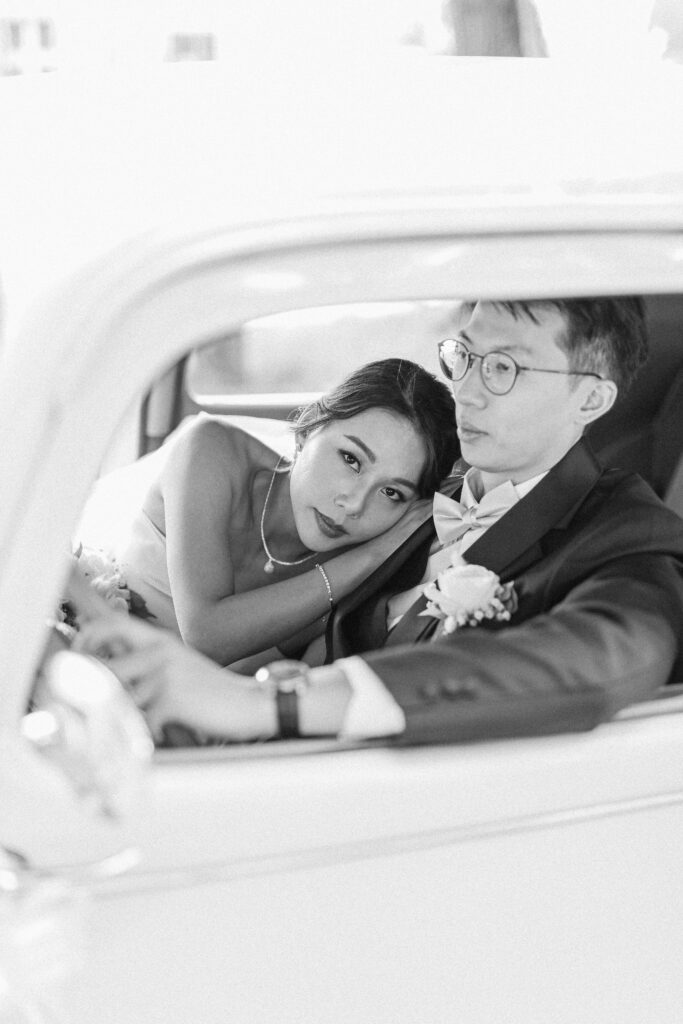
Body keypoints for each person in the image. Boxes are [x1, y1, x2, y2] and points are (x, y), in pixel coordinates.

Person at [75, 298, 683, 746]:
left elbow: (604, 662)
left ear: (591, 400)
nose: (465, 392)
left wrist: (274, 705)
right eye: (465, 357)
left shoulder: (627, 532)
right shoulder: (411, 498)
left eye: (503, 368)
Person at [113, 358, 460, 671]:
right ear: (308, 429)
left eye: (391, 493)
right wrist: (373, 555)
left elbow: (246, 690)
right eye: (351, 459)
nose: (354, 504)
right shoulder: (211, 451)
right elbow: (206, 635)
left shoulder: (361, 581)